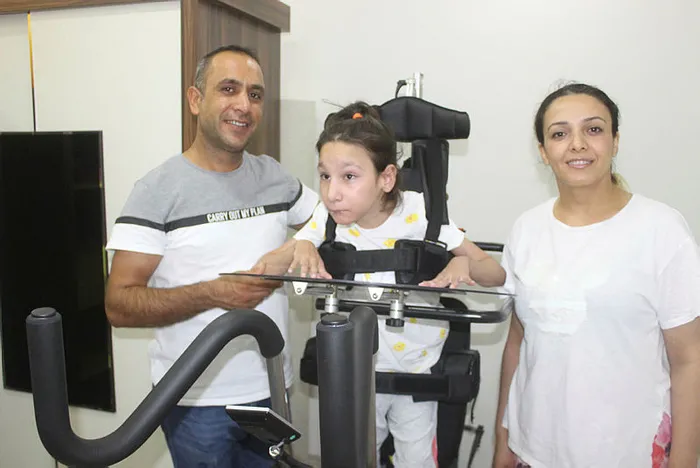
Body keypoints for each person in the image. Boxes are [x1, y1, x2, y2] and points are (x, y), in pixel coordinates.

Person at [255, 101, 506, 468]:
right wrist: (301, 245)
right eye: (324, 176)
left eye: (349, 177)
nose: (332, 192)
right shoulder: (327, 219)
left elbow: (495, 274)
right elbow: (263, 268)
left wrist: (463, 261)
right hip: (354, 372)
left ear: (386, 178)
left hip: (416, 371)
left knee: (416, 463)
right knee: (354, 459)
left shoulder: (421, 212)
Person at [103, 45, 318, 468]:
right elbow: (119, 304)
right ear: (195, 99)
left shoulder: (274, 176)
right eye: (229, 89)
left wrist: (297, 246)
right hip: (195, 401)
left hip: (271, 389)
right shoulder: (156, 190)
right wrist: (213, 294)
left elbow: (333, 219)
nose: (244, 105)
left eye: (255, 94)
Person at [493, 83, 700, 468]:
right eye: (559, 134)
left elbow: (690, 359)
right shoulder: (527, 229)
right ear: (543, 151)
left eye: (593, 129)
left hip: (629, 452)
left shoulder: (662, 230)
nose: (577, 144)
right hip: (534, 450)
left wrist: (685, 459)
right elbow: (517, 343)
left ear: (615, 141)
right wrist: (503, 442)